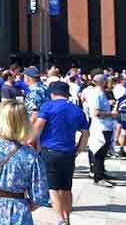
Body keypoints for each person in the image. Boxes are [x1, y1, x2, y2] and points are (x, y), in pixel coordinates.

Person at [29, 81, 89, 225]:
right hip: (68, 152)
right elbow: (85, 133)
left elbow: (38, 126)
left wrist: (30, 142)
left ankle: (60, 220)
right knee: (66, 187)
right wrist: (78, 149)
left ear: (52, 93)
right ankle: (67, 218)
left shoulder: (48, 106)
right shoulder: (77, 110)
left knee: (53, 188)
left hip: (50, 151)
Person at [84, 74, 117, 187]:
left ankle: (101, 172)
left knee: (103, 151)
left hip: (105, 125)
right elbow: (96, 113)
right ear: (102, 82)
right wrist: (111, 114)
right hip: (101, 126)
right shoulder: (97, 93)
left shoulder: (100, 93)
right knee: (99, 150)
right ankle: (98, 177)